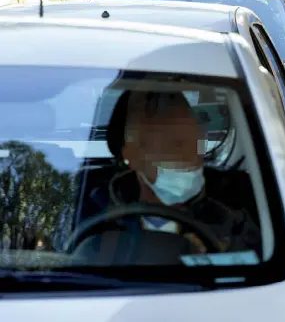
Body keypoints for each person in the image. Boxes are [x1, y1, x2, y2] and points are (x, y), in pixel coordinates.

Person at [82, 90, 261, 258]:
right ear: (132, 154)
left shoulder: (232, 208)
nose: (192, 158)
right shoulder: (91, 212)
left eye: (196, 143)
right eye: (175, 145)